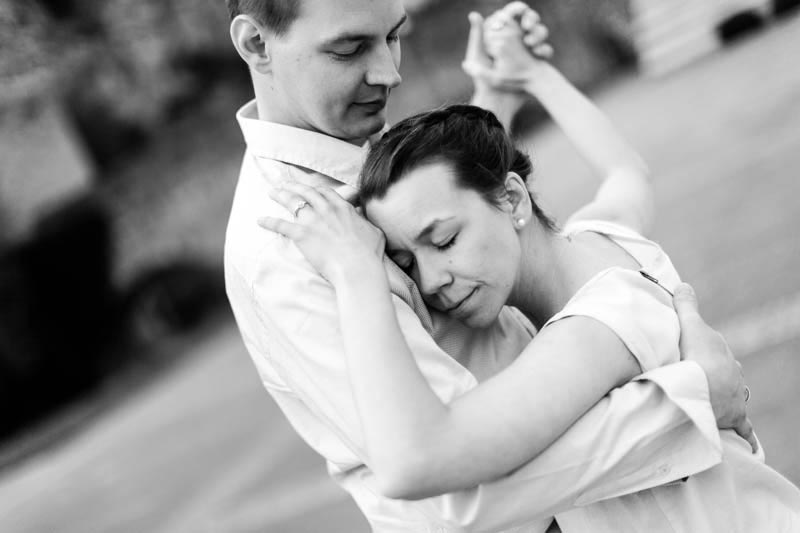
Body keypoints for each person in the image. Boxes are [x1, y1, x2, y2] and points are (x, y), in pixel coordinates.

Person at [225, 1, 754, 530]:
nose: (390, 72)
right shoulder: (286, 244)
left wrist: (494, 100)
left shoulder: (354, 145)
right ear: (255, 44)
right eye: (350, 48)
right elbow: (450, 486)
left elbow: (457, 205)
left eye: (393, 36)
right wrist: (690, 399)